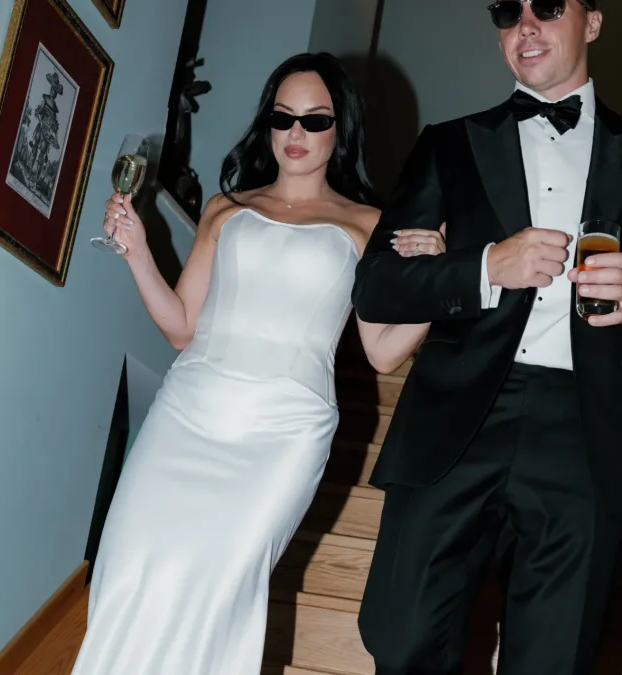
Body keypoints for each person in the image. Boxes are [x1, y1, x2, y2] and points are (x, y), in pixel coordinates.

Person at [351, 1, 622, 674]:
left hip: (587, 434)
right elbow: (375, 285)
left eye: (548, 7)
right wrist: (486, 265)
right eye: (506, 9)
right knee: (400, 636)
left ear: (595, 22)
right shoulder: (448, 145)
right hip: (458, 419)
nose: (525, 25)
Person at [69, 52, 445, 675]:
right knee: (129, 569)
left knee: (219, 594)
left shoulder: (368, 225)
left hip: (283, 434)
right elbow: (183, 329)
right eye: (283, 117)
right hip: (188, 414)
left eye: (315, 121)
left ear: (340, 128)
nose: (296, 134)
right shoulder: (225, 207)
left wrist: (433, 284)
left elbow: (380, 352)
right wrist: (137, 252)